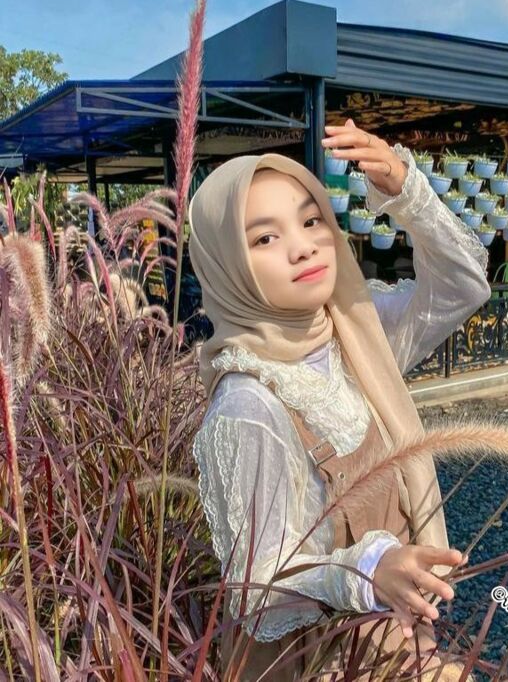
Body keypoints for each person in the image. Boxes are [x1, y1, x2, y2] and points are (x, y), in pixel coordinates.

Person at [188, 119, 492, 679]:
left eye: (311, 221)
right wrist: (367, 570)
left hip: (399, 640)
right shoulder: (249, 404)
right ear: (227, 264)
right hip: (318, 661)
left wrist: (406, 191)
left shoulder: (357, 332)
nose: (303, 246)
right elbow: (256, 586)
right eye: (265, 238)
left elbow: (463, 287)